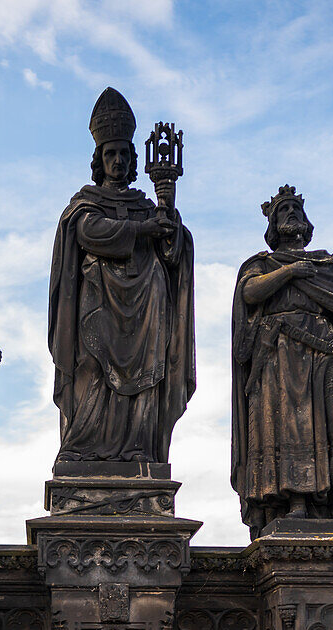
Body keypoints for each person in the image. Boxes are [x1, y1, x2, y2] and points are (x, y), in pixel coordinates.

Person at [48, 87, 195, 464]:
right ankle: (84, 445)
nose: (117, 160)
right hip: (99, 299)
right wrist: (142, 231)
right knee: (92, 368)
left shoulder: (147, 206)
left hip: (146, 302)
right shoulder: (85, 202)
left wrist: (168, 211)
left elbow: (171, 252)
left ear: (133, 160)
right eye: (110, 154)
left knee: (146, 376)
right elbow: (88, 232)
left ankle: (138, 448)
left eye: (123, 154)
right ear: (99, 159)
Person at [231, 185, 333, 539]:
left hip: (324, 351)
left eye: (295, 209)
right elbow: (250, 292)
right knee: (291, 428)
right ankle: (296, 502)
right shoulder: (261, 265)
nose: (291, 215)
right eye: (283, 210)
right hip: (280, 355)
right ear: (272, 225)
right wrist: (289, 273)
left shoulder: (326, 266)